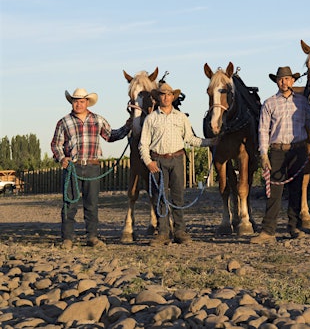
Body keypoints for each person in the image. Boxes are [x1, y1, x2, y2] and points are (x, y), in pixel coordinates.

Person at [51, 88, 131, 249]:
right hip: (73, 167)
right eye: (75, 101)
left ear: (87, 102)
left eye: (81, 101)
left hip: (93, 166)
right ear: (71, 102)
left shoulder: (98, 120)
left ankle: (92, 237)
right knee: (69, 203)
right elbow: (56, 144)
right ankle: (67, 238)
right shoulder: (64, 122)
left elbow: (111, 135)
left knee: (92, 203)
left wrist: (128, 126)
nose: (78, 104)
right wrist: (62, 158)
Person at [140, 82, 216, 246]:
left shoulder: (181, 117)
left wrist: (210, 142)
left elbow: (190, 139)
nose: (166, 97)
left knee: (178, 196)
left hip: (177, 159)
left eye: (169, 94)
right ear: (158, 97)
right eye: (162, 94)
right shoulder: (151, 118)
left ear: (173, 97)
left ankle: (180, 231)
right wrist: (148, 162)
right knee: (160, 197)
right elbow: (143, 144)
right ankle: (163, 232)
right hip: (158, 160)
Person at [251, 66, 310, 244]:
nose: (284, 82)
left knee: (296, 190)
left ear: (293, 81)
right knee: (275, 192)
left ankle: (294, 227)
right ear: (277, 82)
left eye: (287, 79)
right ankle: (268, 231)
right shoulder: (269, 103)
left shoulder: (303, 102)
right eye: (281, 79)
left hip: (298, 149)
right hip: (277, 150)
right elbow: (263, 130)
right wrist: (264, 154)